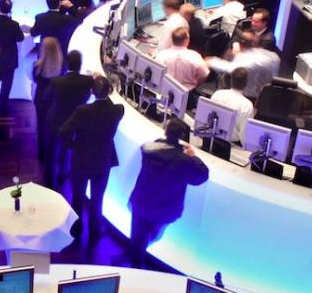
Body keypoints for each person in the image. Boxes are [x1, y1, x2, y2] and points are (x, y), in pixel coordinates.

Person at [128, 118, 208, 265]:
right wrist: (193, 156)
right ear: (183, 138)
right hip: (163, 210)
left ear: (165, 131)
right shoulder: (183, 160)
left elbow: (158, 146)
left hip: (141, 201)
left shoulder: (149, 150)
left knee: (137, 240)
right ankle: (137, 264)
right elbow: (201, 176)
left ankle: (133, 265)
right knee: (151, 237)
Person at [59, 75, 123, 244]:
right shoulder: (117, 110)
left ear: (91, 92)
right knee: (97, 199)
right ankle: (94, 231)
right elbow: (112, 101)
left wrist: (74, 145)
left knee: (78, 197)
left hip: (81, 160)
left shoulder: (82, 111)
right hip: (103, 161)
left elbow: (63, 132)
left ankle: (76, 229)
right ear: (109, 90)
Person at [41, 51, 93, 189]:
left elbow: (46, 98)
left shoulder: (56, 81)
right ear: (80, 65)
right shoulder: (88, 81)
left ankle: (48, 181)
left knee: (51, 152)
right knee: (67, 150)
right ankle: (63, 176)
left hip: (55, 121)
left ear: (66, 63)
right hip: (75, 123)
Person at [32, 37, 65, 167]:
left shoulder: (37, 67)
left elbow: (35, 80)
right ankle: (52, 154)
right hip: (55, 100)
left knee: (40, 126)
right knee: (53, 128)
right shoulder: (62, 66)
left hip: (40, 100)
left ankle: (41, 154)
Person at [209, 67, 254, 144]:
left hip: (211, 138)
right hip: (231, 146)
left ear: (231, 80)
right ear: (246, 83)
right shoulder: (247, 106)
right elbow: (244, 135)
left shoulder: (218, 94)